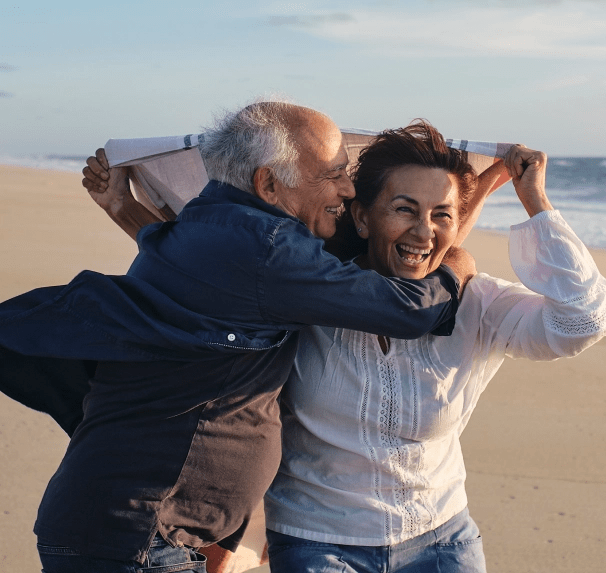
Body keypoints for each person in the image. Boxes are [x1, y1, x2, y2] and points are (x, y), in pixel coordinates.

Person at [0, 103, 471, 573]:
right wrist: (456, 266)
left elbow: (217, 281)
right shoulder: (271, 251)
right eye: (333, 175)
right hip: (137, 538)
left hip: (119, 529)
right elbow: (408, 310)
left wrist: (124, 207)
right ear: (268, 183)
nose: (347, 190)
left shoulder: (204, 224)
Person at [262, 121, 606, 573]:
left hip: (441, 540)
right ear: (363, 218)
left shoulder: (477, 304)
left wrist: (535, 203)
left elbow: (581, 320)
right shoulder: (306, 294)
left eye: (441, 214)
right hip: (317, 541)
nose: (424, 232)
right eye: (405, 209)